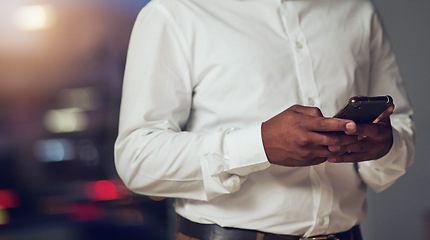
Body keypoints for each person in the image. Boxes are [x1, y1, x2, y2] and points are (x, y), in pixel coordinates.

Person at [114, 0, 415, 239]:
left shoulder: (358, 10)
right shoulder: (175, 12)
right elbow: (137, 158)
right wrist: (259, 146)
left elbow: (400, 123)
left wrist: (386, 145)